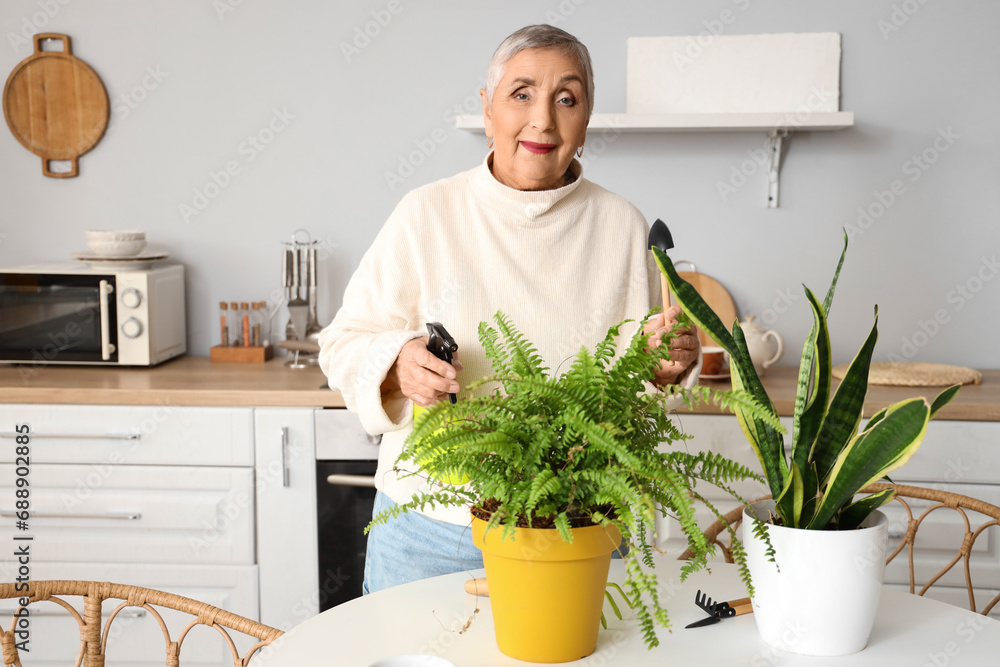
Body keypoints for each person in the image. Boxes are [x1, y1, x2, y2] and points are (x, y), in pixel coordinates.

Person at [318, 24, 701, 595]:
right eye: (521, 94)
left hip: (580, 526)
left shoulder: (622, 225)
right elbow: (343, 340)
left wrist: (669, 363)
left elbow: (640, 375)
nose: (543, 120)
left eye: (566, 98)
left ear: (588, 117)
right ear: (487, 109)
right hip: (430, 531)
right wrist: (396, 362)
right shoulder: (426, 213)